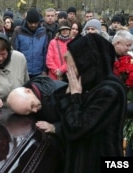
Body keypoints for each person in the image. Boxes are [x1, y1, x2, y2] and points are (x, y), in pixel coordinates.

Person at [58, 33, 126, 173]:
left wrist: (75, 96)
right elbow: (64, 118)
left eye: (72, 67)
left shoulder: (110, 91)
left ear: (85, 63)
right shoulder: (88, 84)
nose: (68, 72)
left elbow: (76, 129)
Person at [11, 8, 48, 79]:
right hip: (22, 71)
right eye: (31, 23)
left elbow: (45, 52)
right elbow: (14, 52)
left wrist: (44, 70)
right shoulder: (18, 32)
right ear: (26, 21)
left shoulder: (43, 32)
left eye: (35, 23)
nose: (33, 25)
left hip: (39, 72)